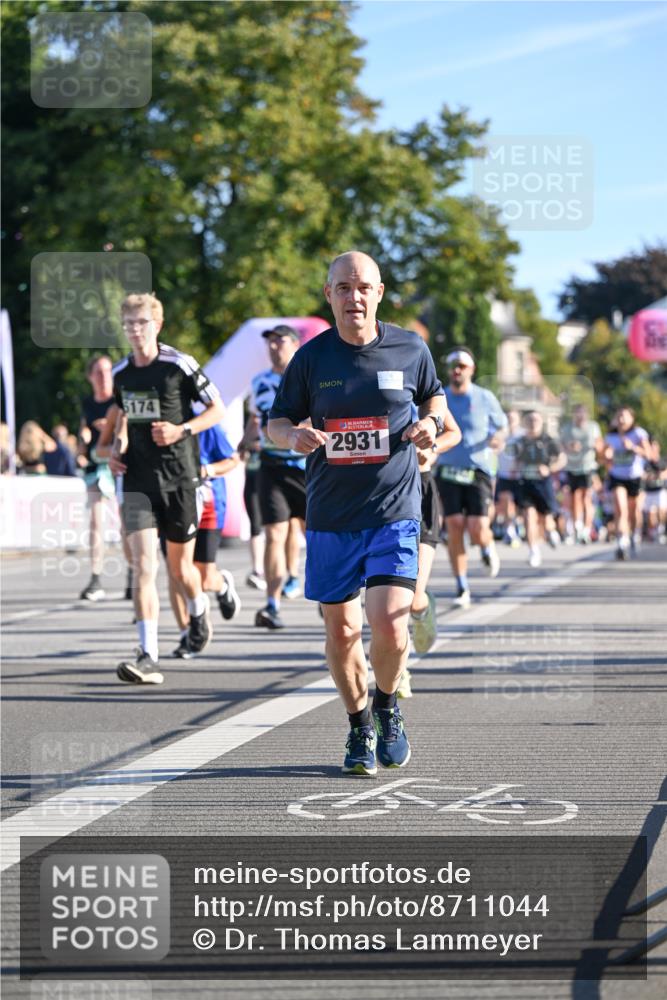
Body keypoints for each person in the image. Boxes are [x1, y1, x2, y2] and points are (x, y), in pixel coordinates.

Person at [268, 250, 448, 776]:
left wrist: (431, 426)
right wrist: (292, 434)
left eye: (363, 287)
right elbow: (276, 421)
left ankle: (389, 707)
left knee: (389, 626)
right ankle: (358, 724)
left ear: (379, 293)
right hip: (329, 514)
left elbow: (435, 400)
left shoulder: (410, 348)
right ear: (329, 295)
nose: (354, 297)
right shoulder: (311, 358)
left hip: (394, 506)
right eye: (343, 288)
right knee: (342, 633)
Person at [109, 292, 225, 684]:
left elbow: (218, 409)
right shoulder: (122, 374)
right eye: (128, 325)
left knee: (181, 569)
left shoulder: (179, 365)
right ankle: (147, 654)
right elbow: (123, 418)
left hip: (180, 480)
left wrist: (182, 429)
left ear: (156, 325)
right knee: (144, 566)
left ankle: (198, 610)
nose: (135, 331)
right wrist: (117, 448)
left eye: (141, 323)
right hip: (139, 482)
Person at [435, 348, 506, 609]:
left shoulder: (485, 397)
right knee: (453, 524)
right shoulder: (439, 396)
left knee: (477, 527)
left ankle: (486, 548)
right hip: (448, 469)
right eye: (453, 365)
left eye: (462, 366)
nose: (457, 370)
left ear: (471, 370)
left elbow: (502, 425)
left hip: (478, 470)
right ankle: (462, 584)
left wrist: (499, 438)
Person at [248, 325, 307, 629]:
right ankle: (272, 604)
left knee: (321, 534)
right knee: (274, 534)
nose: (273, 346)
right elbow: (255, 420)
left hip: (307, 468)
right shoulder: (258, 382)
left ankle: (335, 597)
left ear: (295, 344)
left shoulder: (308, 377)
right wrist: (245, 444)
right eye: (270, 341)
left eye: (279, 340)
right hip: (271, 466)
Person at [169, 423, 241, 658]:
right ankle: (187, 634)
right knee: (177, 572)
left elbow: (233, 459)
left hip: (209, 506)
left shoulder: (207, 424)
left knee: (203, 577)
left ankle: (221, 584)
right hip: (175, 504)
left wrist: (205, 470)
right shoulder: (158, 425)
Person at [78, 355, 117, 601]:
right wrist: (82, 439)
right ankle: (95, 577)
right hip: (95, 466)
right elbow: (82, 432)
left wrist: (111, 426)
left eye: (107, 371)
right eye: (98, 372)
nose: (103, 377)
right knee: (95, 521)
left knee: (130, 523)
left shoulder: (119, 400)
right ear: (90, 377)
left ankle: (133, 575)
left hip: (120, 465)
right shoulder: (87, 404)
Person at [514, 410, 566, 567]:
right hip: (526, 483)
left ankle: (551, 532)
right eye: (529, 420)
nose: (533, 422)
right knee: (529, 517)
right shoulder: (520, 441)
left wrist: (549, 468)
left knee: (546, 517)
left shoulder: (549, 440)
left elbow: (562, 459)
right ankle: (533, 550)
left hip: (543, 484)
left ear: (541, 422)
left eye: (536, 420)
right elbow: (515, 460)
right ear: (525, 423)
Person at [603, 407, 652, 559]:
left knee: (635, 511)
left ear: (632, 418)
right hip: (617, 477)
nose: (621, 420)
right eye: (619, 416)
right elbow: (603, 458)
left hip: (635, 477)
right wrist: (607, 456)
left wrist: (633, 448)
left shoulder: (638, 433)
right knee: (620, 508)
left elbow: (649, 454)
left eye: (624, 416)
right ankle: (621, 542)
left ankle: (634, 534)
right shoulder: (611, 437)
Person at [560, 403, 604, 544]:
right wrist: (569, 447)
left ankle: (586, 528)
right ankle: (577, 525)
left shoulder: (593, 427)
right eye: (577, 413)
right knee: (574, 498)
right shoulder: (567, 428)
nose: (580, 416)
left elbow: (600, 445)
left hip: (588, 467)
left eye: (582, 413)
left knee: (586, 497)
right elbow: (560, 446)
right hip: (572, 467)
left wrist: (594, 446)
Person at [238, 413, 267, 590]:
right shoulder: (252, 427)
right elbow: (240, 451)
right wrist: (246, 444)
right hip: (253, 479)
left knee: (287, 527)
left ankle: (292, 572)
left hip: (275, 480)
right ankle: (257, 570)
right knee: (254, 524)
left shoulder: (280, 421)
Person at [493, 409, 523, 546]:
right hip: (504, 474)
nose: (511, 421)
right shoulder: (500, 435)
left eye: (513, 418)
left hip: (520, 475)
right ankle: (509, 530)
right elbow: (494, 450)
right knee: (506, 502)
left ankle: (516, 525)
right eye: (508, 418)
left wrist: (518, 466)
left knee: (517, 506)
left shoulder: (522, 435)